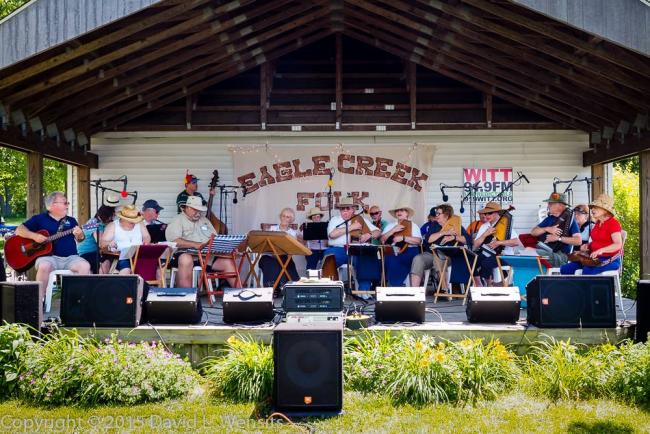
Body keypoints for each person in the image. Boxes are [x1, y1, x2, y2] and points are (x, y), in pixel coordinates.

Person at [14, 192, 90, 301]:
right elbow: (19, 230)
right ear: (53, 205)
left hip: (71, 257)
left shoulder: (71, 220)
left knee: (85, 266)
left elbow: (80, 239)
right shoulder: (39, 219)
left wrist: (80, 234)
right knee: (44, 266)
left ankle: (77, 301)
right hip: (49, 257)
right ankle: (38, 302)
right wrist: (34, 236)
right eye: (65, 203)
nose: (68, 205)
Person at [165, 196, 238, 288]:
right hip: (185, 254)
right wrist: (195, 244)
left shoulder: (205, 220)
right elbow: (173, 240)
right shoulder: (177, 220)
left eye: (199, 210)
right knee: (186, 259)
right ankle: (187, 297)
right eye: (195, 210)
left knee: (228, 262)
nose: (198, 213)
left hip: (206, 257)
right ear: (187, 208)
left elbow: (215, 239)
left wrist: (228, 248)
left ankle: (241, 295)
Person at [323, 196, 381, 298]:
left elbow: (378, 232)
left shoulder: (360, 219)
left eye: (348, 208)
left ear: (353, 209)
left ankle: (364, 290)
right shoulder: (335, 220)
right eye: (342, 209)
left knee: (367, 257)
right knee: (329, 257)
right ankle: (331, 292)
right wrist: (351, 227)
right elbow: (332, 235)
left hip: (356, 250)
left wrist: (369, 235)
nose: (345, 211)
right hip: (339, 249)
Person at [560, 194, 623, 275]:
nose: (592, 209)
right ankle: (572, 287)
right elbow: (598, 241)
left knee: (587, 271)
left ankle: (585, 287)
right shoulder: (598, 223)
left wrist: (601, 250)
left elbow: (618, 244)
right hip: (593, 259)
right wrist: (587, 246)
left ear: (605, 210)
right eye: (592, 207)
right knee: (566, 269)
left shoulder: (613, 223)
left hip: (610, 260)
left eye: (596, 207)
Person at [409, 204, 469, 288]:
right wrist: (444, 232)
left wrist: (454, 237)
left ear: (446, 215)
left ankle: (444, 289)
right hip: (431, 254)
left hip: (449, 256)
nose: (436, 215)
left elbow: (467, 240)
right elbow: (429, 239)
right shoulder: (434, 225)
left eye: (438, 213)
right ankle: (414, 292)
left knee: (439, 259)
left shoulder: (456, 226)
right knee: (418, 259)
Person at [472, 202, 522, 286]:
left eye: (489, 213)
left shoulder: (505, 225)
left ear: (497, 213)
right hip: (486, 254)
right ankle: (479, 284)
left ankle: (490, 284)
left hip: (504, 256)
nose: (486, 215)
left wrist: (499, 243)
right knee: (470, 260)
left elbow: (517, 242)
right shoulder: (484, 226)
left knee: (486, 263)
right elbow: (475, 245)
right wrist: (485, 234)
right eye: (485, 213)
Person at [530, 192, 582, 267]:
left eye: (550, 204)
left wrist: (558, 238)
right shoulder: (549, 219)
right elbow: (533, 232)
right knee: (528, 251)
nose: (548, 206)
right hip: (546, 250)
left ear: (561, 205)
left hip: (561, 256)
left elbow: (578, 241)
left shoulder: (570, 220)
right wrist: (547, 229)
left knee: (532, 253)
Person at [259, 207, 302, 292]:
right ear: (280, 217)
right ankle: (271, 289)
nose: (285, 218)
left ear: (291, 220)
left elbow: (293, 249)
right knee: (269, 262)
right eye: (283, 216)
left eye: (288, 217)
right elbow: (264, 245)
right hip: (269, 256)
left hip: (283, 257)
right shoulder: (272, 229)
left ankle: (283, 287)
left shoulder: (292, 233)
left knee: (284, 261)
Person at [101, 205, 151, 275]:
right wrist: (109, 243)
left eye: (134, 220)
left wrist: (146, 242)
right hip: (121, 257)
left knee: (156, 266)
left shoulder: (140, 224)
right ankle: (124, 285)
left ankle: (154, 286)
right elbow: (103, 243)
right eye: (131, 221)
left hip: (138, 256)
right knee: (126, 269)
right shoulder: (113, 226)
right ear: (123, 218)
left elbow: (147, 236)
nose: (133, 222)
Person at [76, 193, 118, 274]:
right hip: (87, 253)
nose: (112, 219)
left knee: (113, 260)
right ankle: (102, 283)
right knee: (105, 262)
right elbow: (100, 243)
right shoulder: (94, 223)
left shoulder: (102, 224)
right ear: (106, 215)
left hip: (96, 252)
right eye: (111, 216)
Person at [380, 205, 422, 286]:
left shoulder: (413, 225)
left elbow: (418, 241)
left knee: (395, 258)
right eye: (397, 211)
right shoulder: (391, 225)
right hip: (393, 251)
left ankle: (398, 284)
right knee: (390, 257)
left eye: (402, 210)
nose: (399, 212)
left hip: (409, 251)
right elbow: (382, 240)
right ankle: (395, 284)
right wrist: (393, 230)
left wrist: (403, 238)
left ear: (407, 214)